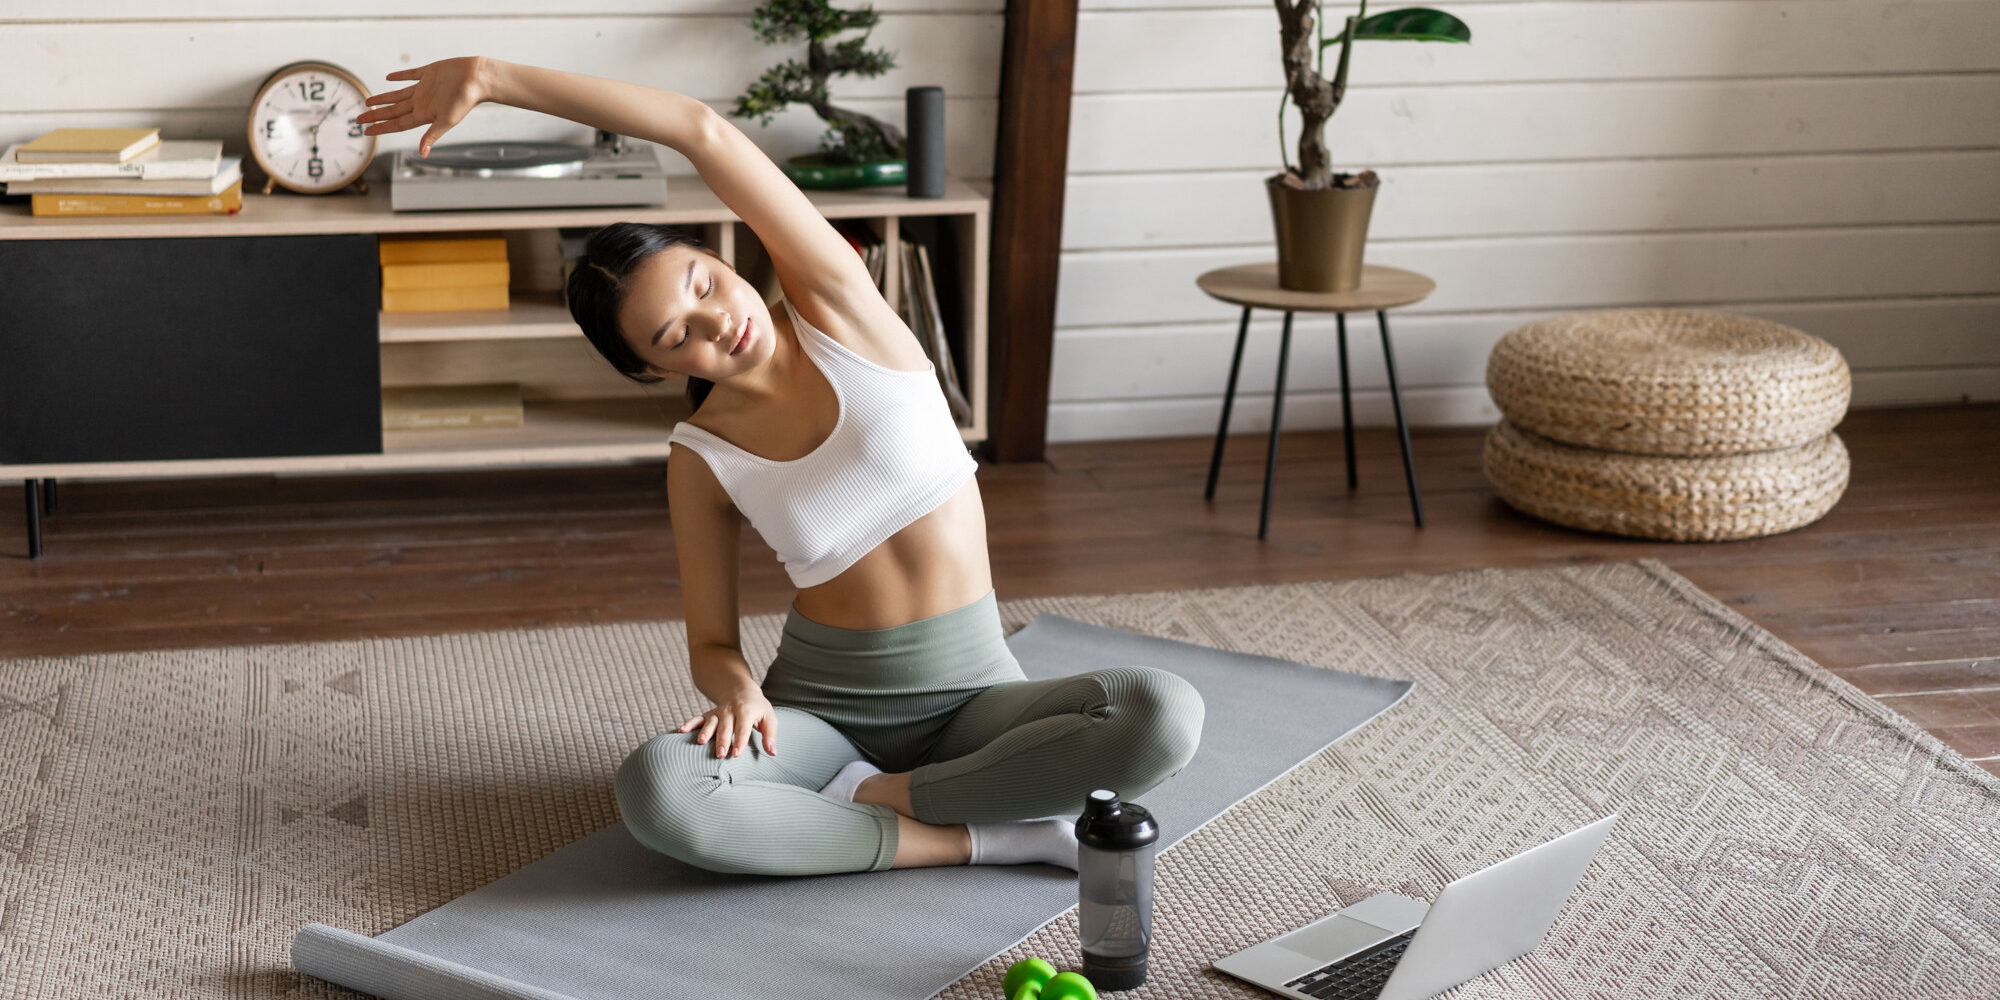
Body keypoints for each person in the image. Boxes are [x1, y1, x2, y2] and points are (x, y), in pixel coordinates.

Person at [358, 56, 1205, 877]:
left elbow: (701, 131)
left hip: (980, 694)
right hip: (826, 715)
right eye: (672, 336)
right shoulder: (700, 456)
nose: (711, 324)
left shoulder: (840, 304)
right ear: (655, 369)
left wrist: (498, 79)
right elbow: (713, 641)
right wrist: (736, 694)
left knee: (1159, 714)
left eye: (701, 285)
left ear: (723, 259)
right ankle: (976, 836)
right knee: (661, 790)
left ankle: (883, 798)